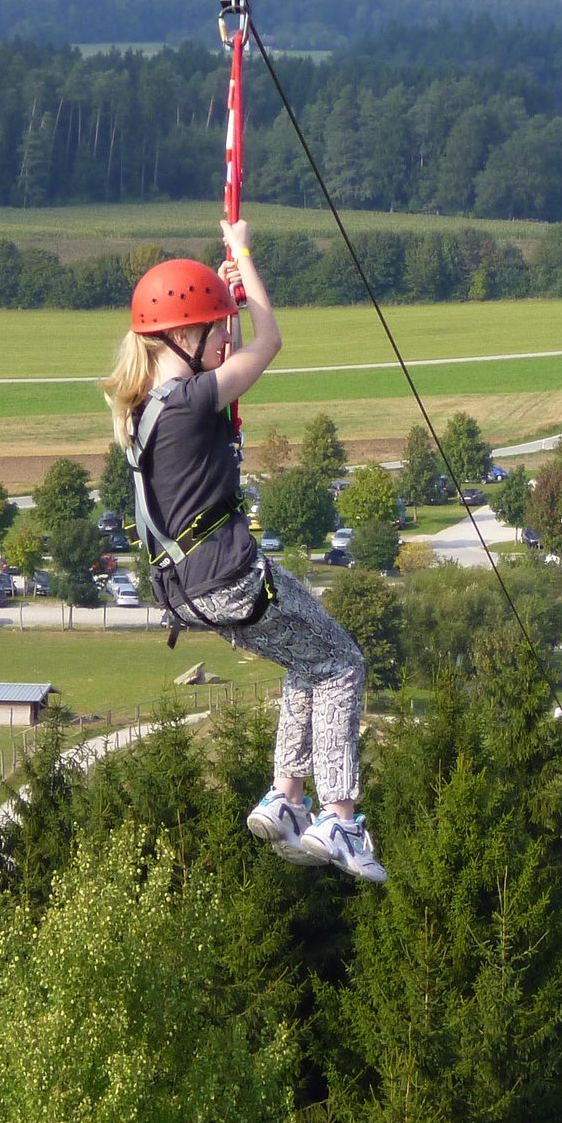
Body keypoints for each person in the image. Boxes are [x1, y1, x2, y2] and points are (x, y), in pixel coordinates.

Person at [99, 224, 385, 880]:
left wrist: (224, 287)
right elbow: (271, 342)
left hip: (191, 589)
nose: (226, 343)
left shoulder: (145, 410)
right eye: (214, 332)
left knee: (306, 659)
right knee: (342, 661)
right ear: (182, 337)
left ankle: (285, 798)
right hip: (232, 575)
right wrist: (246, 254)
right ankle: (337, 816)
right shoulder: (193, 401)